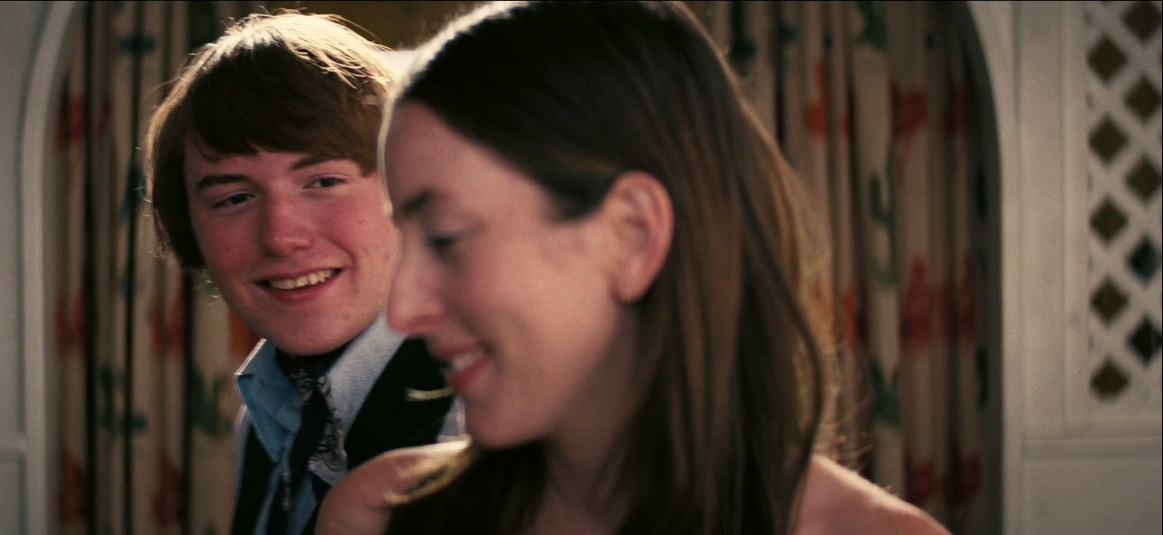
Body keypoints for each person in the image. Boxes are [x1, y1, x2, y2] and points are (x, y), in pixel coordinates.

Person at [316, 2, 950, 534]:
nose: (402, 309)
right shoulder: (377, 518)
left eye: (446, 237)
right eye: (405, 239)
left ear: (632, 236)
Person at [143, 12, 459, 535]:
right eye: (235, 198)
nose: (280, 236)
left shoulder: (473, 418)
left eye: (323, 181)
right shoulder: (267, 413)